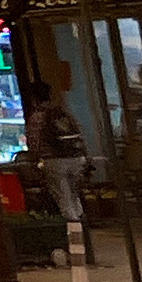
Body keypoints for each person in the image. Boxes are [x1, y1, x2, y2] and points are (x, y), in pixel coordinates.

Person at [27, 84, 92, 224]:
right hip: (76, 158)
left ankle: (74, 227)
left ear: (34, 99)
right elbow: (80, 134)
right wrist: (85, 155)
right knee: (74, 193)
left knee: (63, 194)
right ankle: (81, 219)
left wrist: (35, 160)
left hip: (54, 161)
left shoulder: (38, 117)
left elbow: (34, 143)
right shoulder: (63, 113)